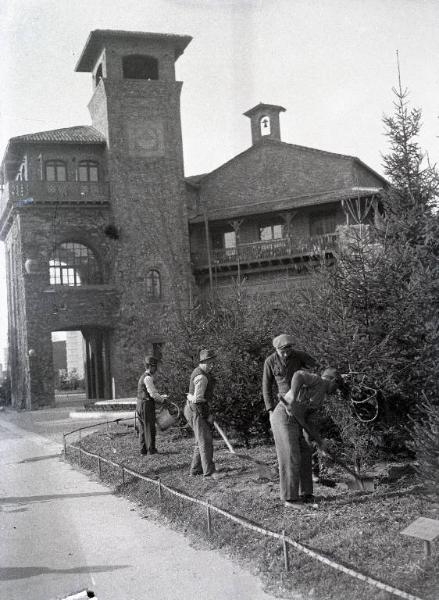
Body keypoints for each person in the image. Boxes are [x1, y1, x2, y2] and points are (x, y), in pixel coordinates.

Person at [273, 367, 342, 507]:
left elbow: (309, 422)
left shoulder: (321, 397)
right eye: (337, 385)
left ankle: (306, 494)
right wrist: (292, 397)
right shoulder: (318, 381)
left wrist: (320, 441)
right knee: (291, 455)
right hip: (284, 417)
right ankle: (290, 499)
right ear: (333, 380)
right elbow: (298, 374)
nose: (337, 390)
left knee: (305, 453)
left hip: (297, 422)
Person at [184, 349, 217, 477]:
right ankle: (208, 472)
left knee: (200, 440)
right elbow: (198, 400)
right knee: (205, 441)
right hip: (195, 410)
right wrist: (207, 415)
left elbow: (195, 398)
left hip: (193, 408)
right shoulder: (201, 376)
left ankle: (195, 469)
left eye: (212, 363)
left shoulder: (201, 372)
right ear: (202, 363)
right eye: (208, 363)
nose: (211, 365)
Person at [136, 355, 168, 456]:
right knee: (150, 428)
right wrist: (163, 400)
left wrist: (161, 396)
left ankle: (143, 450)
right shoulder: (148, 378)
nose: (156, 369)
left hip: (140, 404)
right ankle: (151, 450)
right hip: (146, 405)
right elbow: (153, 394)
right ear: (150, 366)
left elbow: (150, 393)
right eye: (155, 366)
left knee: (142, 428)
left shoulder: (143, 376)